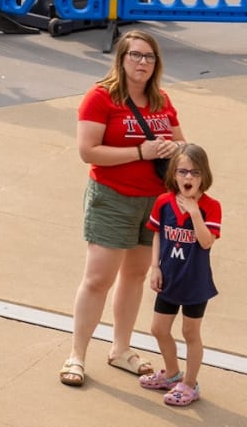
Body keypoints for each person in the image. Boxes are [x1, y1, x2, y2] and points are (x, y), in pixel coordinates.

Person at [63, 28, 182, 388]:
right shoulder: (100, 98)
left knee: (135, 276)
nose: (142, 62)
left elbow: (181, 142)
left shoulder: (161, 100)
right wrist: (140, 152)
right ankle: (77, 355)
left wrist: (174, 150)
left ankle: (120, 350)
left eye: (149, 57)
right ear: (122, 59)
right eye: (135, 55)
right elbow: (88, 151)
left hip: (154, 202)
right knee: (99, 278)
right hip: (112, 198)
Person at [142, 144, 220, 408]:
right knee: (158, 328)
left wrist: (195, 213)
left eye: (195, 173)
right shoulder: (163, 202)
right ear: (174, 174)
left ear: (204, 176)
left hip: (195, 283)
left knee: (190, 333)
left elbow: (207, 242)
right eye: (183, 171)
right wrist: (155, 266)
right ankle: (172, 372)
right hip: (169, 278)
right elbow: (157, 233)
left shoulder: (211, 207)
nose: (188, 178)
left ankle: (190, 383)